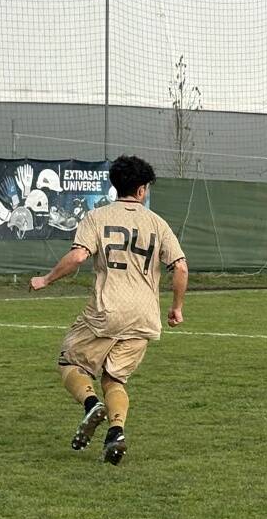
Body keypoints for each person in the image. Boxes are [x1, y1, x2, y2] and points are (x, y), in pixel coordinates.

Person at [30, 155, 187, 465]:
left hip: (108, 310)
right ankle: (116, 431)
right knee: (115, 380)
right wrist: (177, 307)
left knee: (69, 361)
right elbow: (180, 267)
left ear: (116, 186)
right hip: (145, 316)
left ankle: (91, 405)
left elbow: (77, 258)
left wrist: (46, 279)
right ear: (142, 190)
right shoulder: (158, 223)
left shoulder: (97, 217)